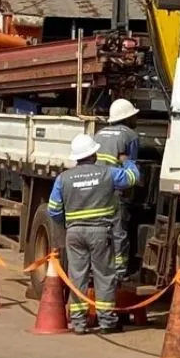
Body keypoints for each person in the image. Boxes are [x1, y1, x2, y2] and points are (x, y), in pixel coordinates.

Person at [47, 133, 140, 334]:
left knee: (77, 276)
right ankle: (107, 322)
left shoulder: (64, 178)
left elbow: (53, 208)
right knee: (104, 276)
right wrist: (127, 161)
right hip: (100, 233)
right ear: (94, 154)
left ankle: (79, 323)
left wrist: (68, 224)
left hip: (74, 233)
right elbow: (133, 178)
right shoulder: (108, 173)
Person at [93, 98, 140, 280]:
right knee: (119, 231)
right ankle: (120, 271)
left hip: (96, 189)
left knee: (99, 229)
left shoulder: (99, 133)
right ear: (127, 118)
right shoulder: (130, 135)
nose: (136, 120)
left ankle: (96, 266)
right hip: (115, 190)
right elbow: (131, 167)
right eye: (134, 116)